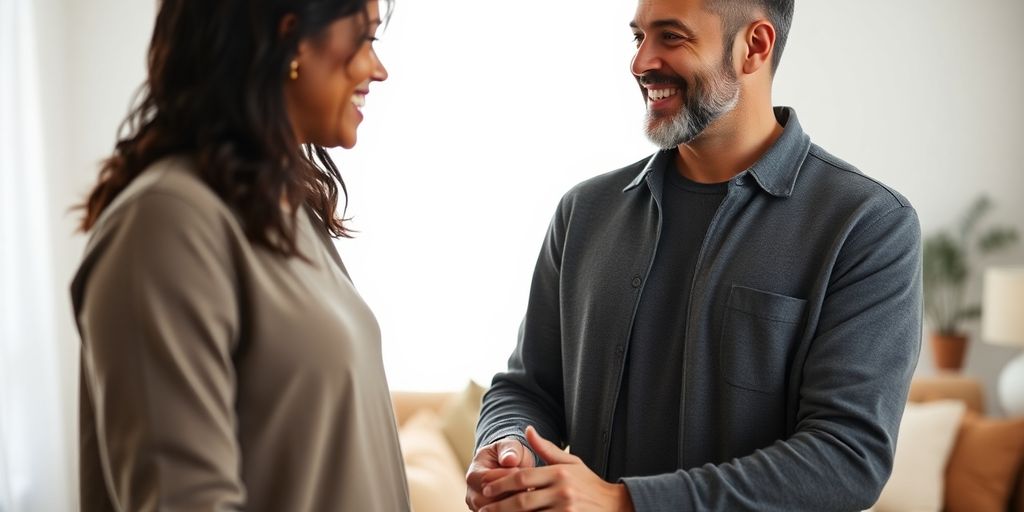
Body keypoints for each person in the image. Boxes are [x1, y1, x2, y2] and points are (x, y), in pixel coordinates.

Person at [467, 0, 921, 510]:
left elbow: (846, 458)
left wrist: (626, 503)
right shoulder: (584, 211)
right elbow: (529, 389)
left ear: (754, 46)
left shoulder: (867, 225)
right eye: (638, 37)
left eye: (671, 37)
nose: (640, 63)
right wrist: (506, 446)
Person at [70, 0, 407, 510]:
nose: (377, 70)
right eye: (365, 39)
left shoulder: (288, 212)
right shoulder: (167, 223)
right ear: (290, 38)